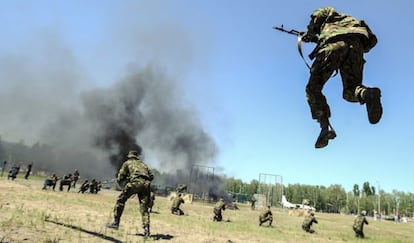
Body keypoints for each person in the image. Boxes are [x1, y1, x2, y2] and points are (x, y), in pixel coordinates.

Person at [301, 7, 382, 148]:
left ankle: (325, 127)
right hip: (356, 48)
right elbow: (372, 41)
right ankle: (367, 93)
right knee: (351, 91)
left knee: (313, 89)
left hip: (334, 44)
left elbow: (317, 16)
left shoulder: (328, 11)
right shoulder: (355, 21)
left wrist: (310, 33)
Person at [106, 150, 154, 238]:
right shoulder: (143, 164)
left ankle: (116, 223)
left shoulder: (127, 163)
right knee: (144, 208)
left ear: (129, 156)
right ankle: (147, 230)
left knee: (120, 200)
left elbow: (121, 176)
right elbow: (151, 176)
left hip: (135, 183)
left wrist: (121, 181)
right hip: (146, 185)